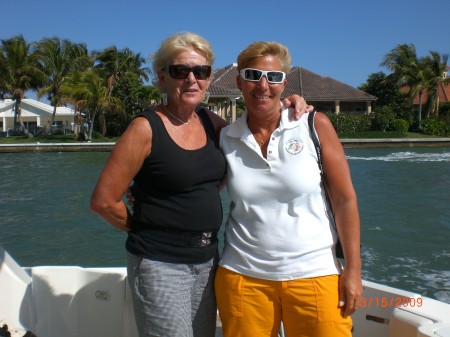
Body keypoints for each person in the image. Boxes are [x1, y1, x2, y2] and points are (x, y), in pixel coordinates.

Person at [90, 32, 310, 337]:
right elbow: (103, 201)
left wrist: (288, 103)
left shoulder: (210, 123)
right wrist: (144, 227)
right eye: (181, 71)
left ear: (208, 79)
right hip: (159, 263)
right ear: (163, 77)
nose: (191, 79)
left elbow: (248, 135)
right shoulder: (145, 128)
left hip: (208, 259)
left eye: (201, 71)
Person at [215, 41, 362, 337]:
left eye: (274, 77)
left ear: (284, 83)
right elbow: (194, 181)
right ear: (239, 82)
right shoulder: (225, 137)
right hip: (243, 277)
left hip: (315, 273)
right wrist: (144, 191)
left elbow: (345, 200)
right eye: (253, 75)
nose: (263, 85)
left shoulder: (313, 125)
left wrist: (354, 271)